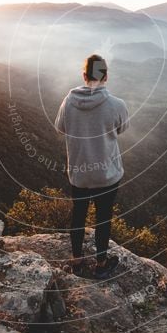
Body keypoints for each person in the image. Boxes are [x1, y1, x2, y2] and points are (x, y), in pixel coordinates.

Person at [54, 54, 130, 279]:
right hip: (107, 174)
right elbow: (122, 128)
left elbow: (60, 128)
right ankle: (101, 264)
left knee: (78, 216)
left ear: (84, 75)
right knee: (103, 218)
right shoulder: (117, 105)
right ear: (106, 76)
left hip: (79, 173)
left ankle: (76, 262)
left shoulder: (68, 101)